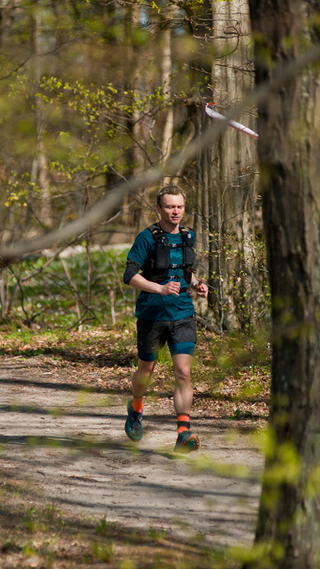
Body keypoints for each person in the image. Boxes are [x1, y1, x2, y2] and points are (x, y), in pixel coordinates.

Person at [122, 185, 208, 453]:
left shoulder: (187, 236)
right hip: (151, 314)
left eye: (180, 206)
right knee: (145, 372)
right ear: (158, 209)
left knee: (183, 371)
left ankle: (183, 433)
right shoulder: (147, 238)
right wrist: (159, 288)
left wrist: (195, 285)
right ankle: (136, 407)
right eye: (170, 206)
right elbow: (129, 276)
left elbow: (185, 271)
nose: (175, 211)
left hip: (182, 313)